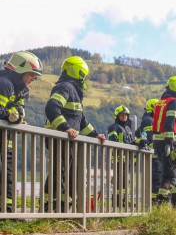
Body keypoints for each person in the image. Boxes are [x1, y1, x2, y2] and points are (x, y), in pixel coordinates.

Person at [44, 56, 106, 212]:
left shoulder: (75, 92)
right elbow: (52, 107)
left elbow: (81, 120)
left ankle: (63, 208)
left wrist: (95, 135)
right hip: (59, 138)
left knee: (70, 173)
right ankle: (48, 207)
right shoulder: (65, 87)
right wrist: (65, 127)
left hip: (68, 139)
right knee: (60, 171)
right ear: (79, 73)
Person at [0, 51, 43, 213]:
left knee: (8, 175)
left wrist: (17, 119)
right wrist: (11, 117)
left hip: (6, 140)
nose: (33, 79)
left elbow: (19, 112)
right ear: (20, 69)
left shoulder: (23, 90)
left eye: (35, 76)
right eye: (31, 74)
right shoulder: (4, 84)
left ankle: (8, 212)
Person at [151, 76, 176, 211]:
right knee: (170, 175)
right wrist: (168, 143)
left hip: (160, 142)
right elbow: (169, 122)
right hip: (167, 143)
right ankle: (160, 204)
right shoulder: (172, 102)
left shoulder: (161, 102)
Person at [136, 98, 160, 203]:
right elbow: (150, 139)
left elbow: (138, 132)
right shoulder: (149, 120)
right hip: (154, 156)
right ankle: (154, 202)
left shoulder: (146, 119)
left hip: (153, 157)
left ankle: (153, 201)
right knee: (156, 180)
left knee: (155, 180)